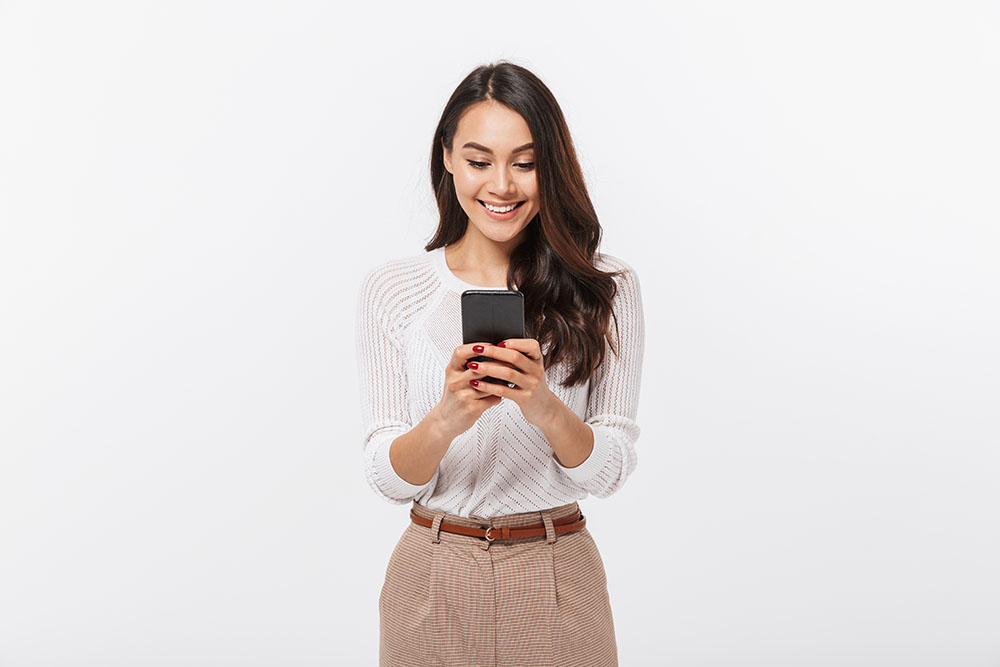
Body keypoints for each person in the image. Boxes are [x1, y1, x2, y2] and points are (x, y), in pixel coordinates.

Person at [356, 61, 645, 667]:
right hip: (432, 572)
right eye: (479, 160)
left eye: (526, 162)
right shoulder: (394, 289)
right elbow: (386, 477)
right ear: (448, 159)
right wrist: (446, 418)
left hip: (558, 567)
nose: (502, 186)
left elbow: (610, 470)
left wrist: (542, 405)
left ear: (552, 166)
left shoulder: (605, 288)